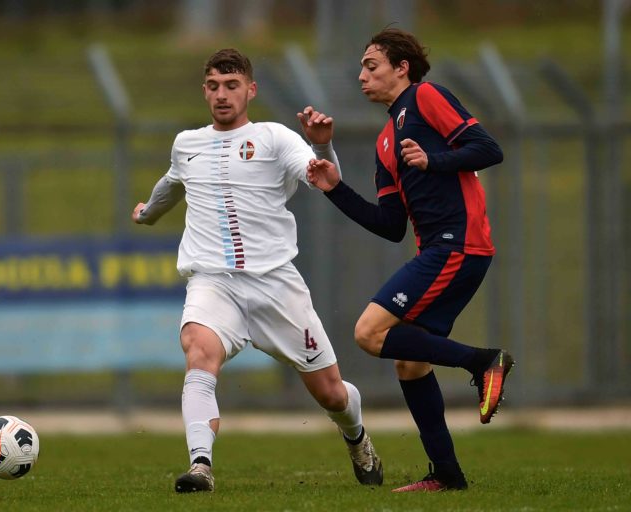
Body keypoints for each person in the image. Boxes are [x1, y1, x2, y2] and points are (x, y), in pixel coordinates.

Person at [132, 48, 383, 493]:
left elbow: (324, 177)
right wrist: (148, 214)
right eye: (214, 86)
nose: (222, 95)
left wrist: (321, 145)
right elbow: (171, 184)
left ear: (251, 90)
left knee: (331, 393)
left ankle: (357, 437)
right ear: (204, 91)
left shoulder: (274, 138)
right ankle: (200, 465)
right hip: (213, 282)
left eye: (232, 86)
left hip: (275, 285)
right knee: (198, 350)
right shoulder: (187, 143)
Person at [306, 28, 514, 492]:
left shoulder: (425, 96)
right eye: (362, 68)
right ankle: (447, 475)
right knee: (410, 363)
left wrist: (433, 160)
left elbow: (488, 149)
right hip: (439, 249)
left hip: (458, 244)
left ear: (402, 68)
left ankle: (483, 361)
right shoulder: (385, 142)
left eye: (371, 65)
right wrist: (334, 189)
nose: (362, 76)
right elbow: (389, 225)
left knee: (369, 332)